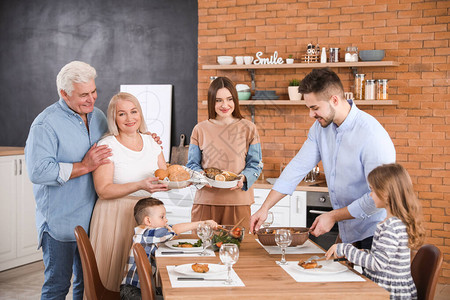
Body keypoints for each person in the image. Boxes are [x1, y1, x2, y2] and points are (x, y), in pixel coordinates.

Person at [250, 68, 396, 249]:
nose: (311, 115)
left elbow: (381, 196)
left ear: (334, 100)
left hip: (376, 234)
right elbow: (297, 168)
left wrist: (333, 216)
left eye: (315, 108)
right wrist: (264, 208)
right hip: (348, 232)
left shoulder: (372, 135)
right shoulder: (320, 129)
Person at [25, 61, 112, 299]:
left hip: (93, 222)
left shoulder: (99, 117)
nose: (92, 99)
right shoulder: (46, 124)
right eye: (84, 94)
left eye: (94, 91)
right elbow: (38, 172)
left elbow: (117, 144)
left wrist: (145, 138)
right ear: (64, 93)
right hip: (59, 225)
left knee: (87, 286)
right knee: (57, 287)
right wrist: (84, 166)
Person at [89, 92, 169, 291]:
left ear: (140, 114)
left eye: (134, 112)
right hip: (114, 217)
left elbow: (164, 174)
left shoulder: (152, 142)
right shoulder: (107, 145)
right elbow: (103, 190)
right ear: (114, 118)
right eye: (122, 114)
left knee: (142, 279)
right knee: (112, 278)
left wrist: (172, 181)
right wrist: (140, 185)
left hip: (146, 217)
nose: (130, 118)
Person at [325, 163, 425, 299]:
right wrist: (364, 253)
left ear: (386, 194)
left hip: (389, 293)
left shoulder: (392, 227)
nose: (370, 195)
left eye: (372, 190)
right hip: (384, 288)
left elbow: (378, 263)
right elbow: (383, 257)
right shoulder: (392, 222)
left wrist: (345, 249)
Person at [186, 76, 263, 230]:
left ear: (235, 100)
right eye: (218, 100)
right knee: (202, 249)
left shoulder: (249, 128)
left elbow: (255, 164)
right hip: (205, 202)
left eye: (229, 99)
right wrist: (201, 176)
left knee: (237, 250)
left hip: (238, 202)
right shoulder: (199, 129)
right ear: (211, 102)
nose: (225, 105)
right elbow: (192, 164)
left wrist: (244, 177)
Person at [120, 197, 218, 300]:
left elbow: (172, 228)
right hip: (133, 292)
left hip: (140, 287)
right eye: (162, 217)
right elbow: (174, 229)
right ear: (148, 220)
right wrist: (201, 223)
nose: (166, 220)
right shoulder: (145, 233)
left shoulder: (149, 233)